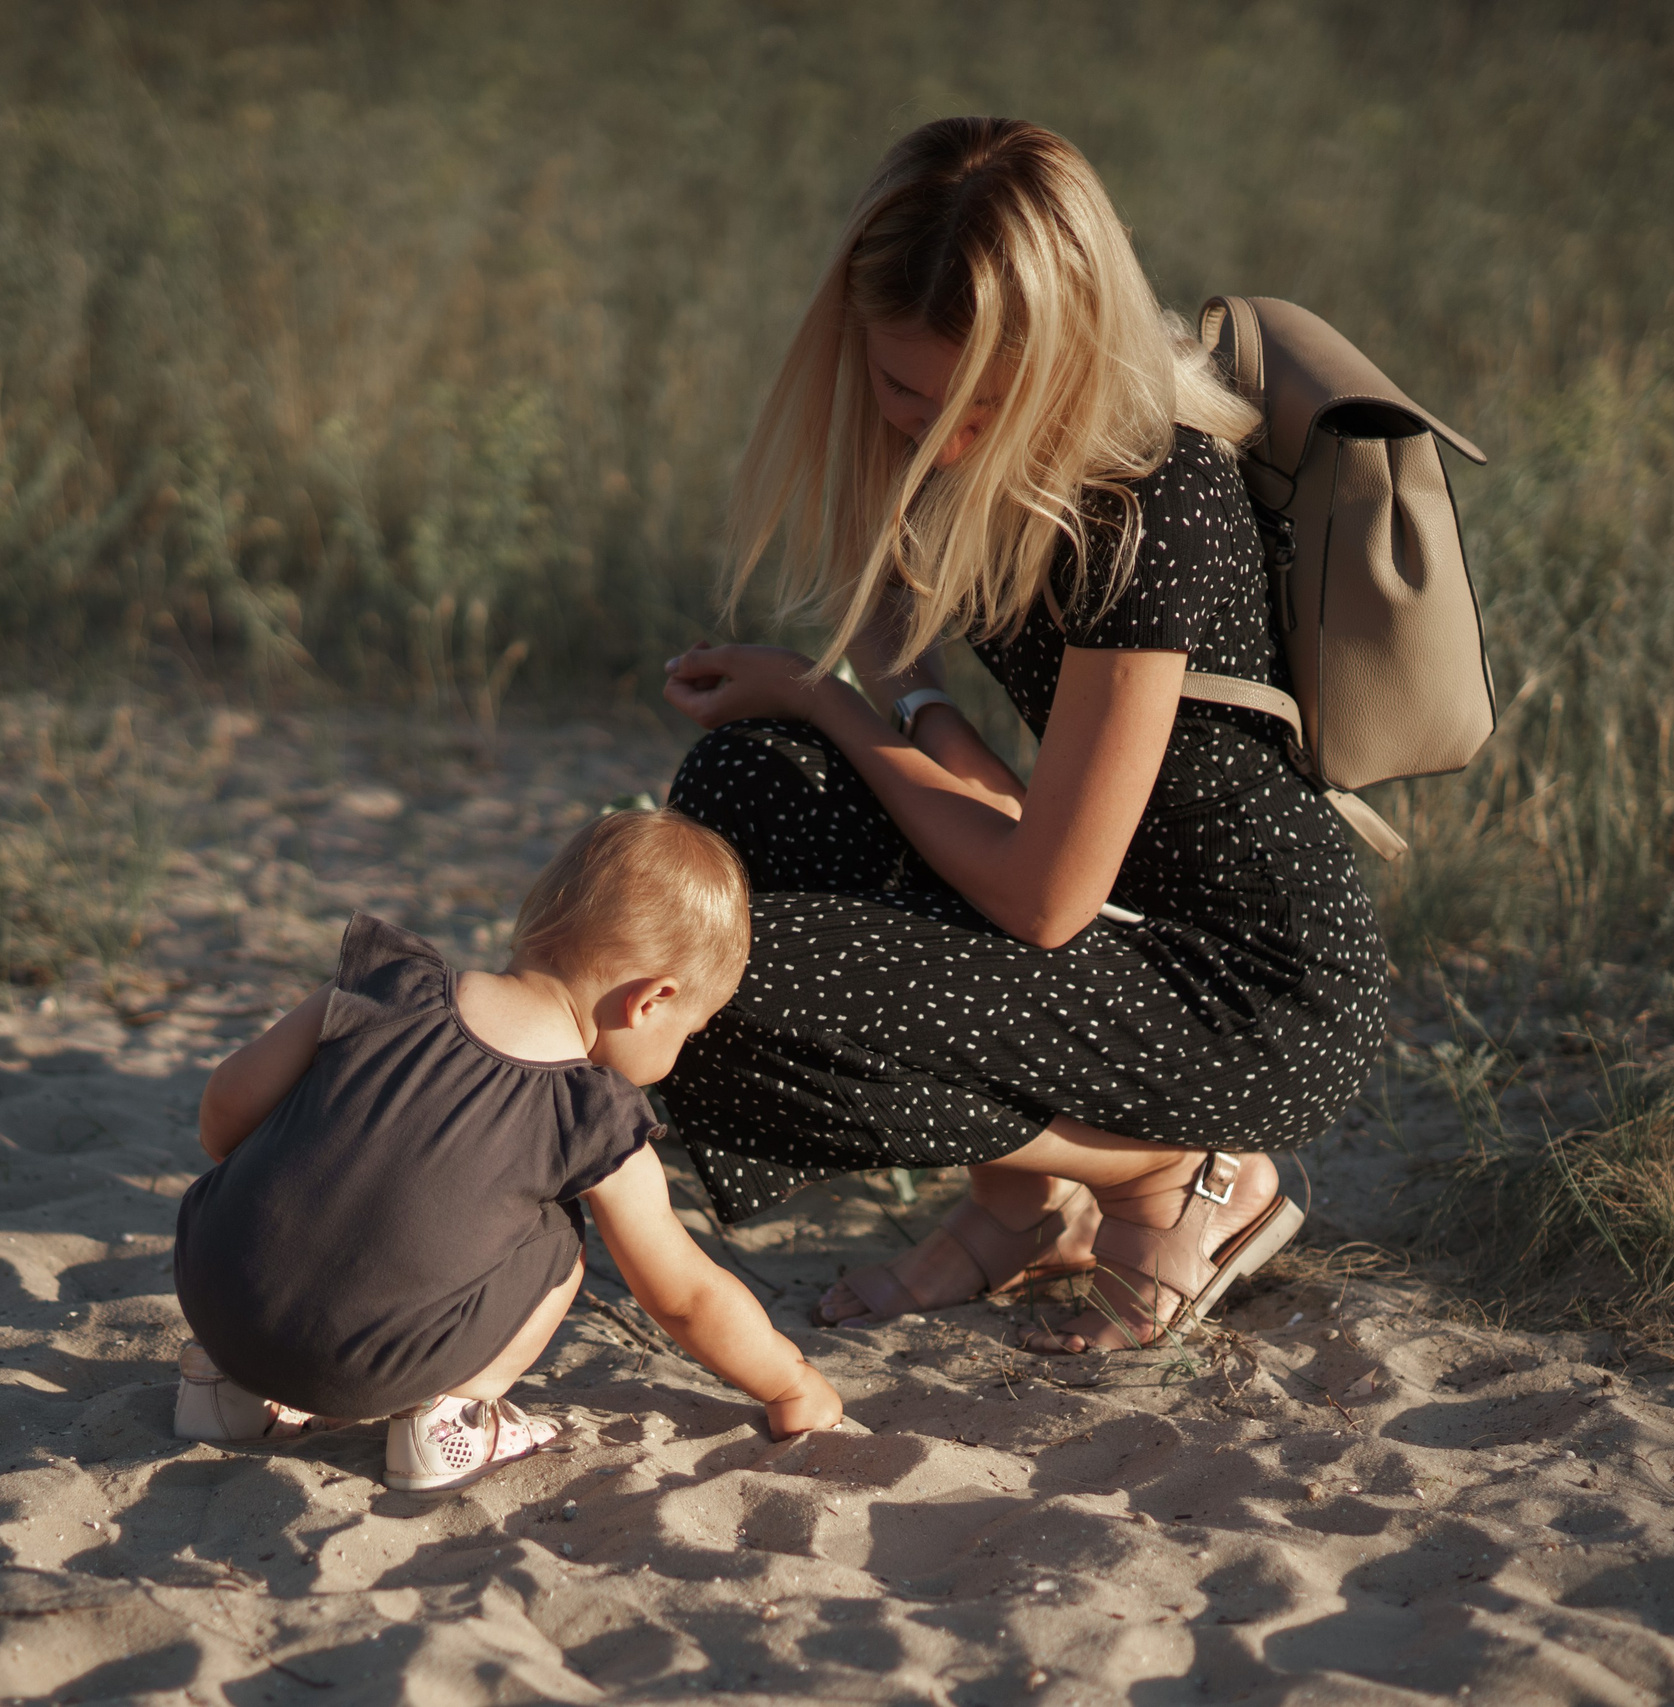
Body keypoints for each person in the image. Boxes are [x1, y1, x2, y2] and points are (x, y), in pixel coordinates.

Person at [655, 116, 1383, 1353]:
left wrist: (827, 696)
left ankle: (1168, 1177)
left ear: (1066, 356)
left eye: (983, 403)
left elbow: (1044, 899)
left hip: (1249, 994)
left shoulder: (1157, 499)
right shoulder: (968, 447)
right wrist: (902, 701)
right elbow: (1012, 813)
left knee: (712, 989)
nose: (942, 435)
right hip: (1115, 925)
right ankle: (1020, 1200)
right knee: (747, 786)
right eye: (903, 391)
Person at [171, 808, 842, 1491]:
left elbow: (224, 1113)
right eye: (690, 1031)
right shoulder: (590, 1115)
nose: (680, 1053)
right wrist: (792, 1380)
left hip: (213, 1297)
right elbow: (685, 1296)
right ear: (651, 1000)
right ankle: (452, 1416)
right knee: (556, 1237)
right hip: (365, 1368)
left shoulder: (387, 983)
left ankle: (224, 1393)